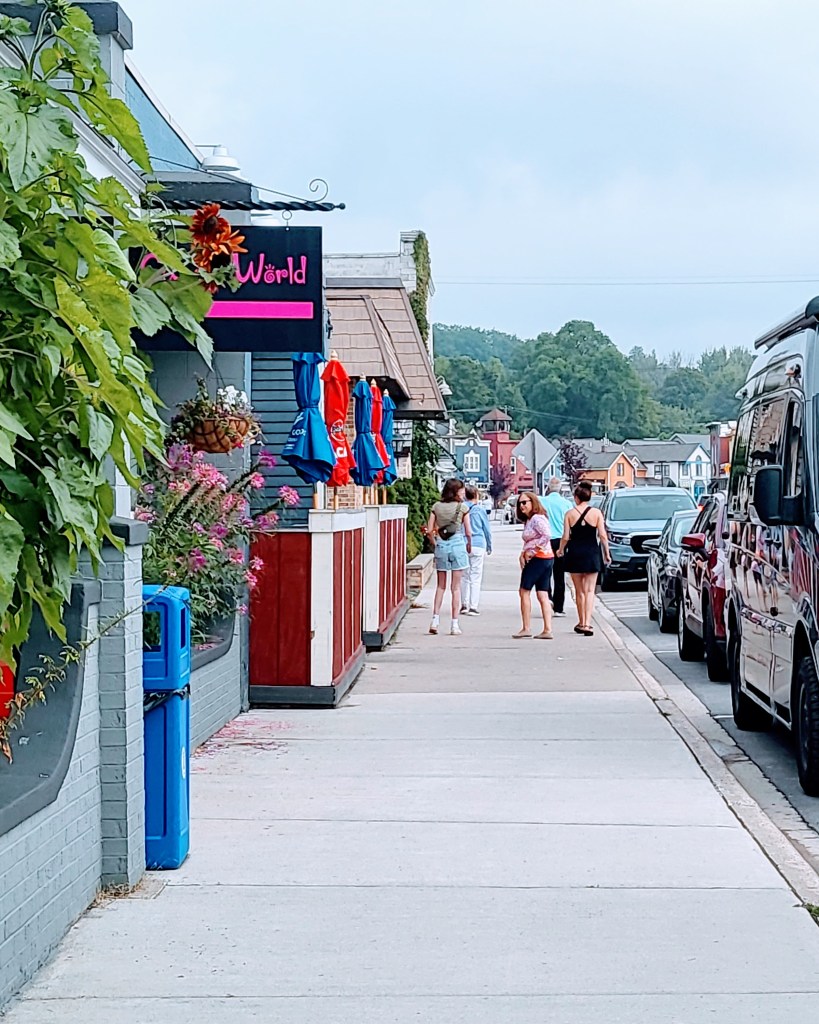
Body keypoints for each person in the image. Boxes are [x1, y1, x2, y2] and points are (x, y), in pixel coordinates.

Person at [557, 480, 611, 636]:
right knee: (590, 591)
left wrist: (561, 550)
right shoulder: (597, 513)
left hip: (575, 554)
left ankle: (581, 622)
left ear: (576, 497)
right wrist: (607, 553)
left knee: (579, 591)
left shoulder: (569, 514)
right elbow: (602, 535)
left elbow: (565, 537)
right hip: (592, 553)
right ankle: (587, 623)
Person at [427, 478, 473, 636]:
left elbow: (429, 530)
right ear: (456, 491)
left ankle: (435, 620)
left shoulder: (436, 507)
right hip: (458, 545)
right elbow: (468, 532)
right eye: (461, 490)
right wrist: (469, 544)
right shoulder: (463, 507)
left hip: (442, 546)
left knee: (440, 586)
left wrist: (435, 543)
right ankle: (454, 624)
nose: (463, 492)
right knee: (456, 588)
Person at [513, 492, 554, 640]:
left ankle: (526, 627)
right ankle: (547, 629)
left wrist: (533, 551)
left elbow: (547, 535)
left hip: (538, 558)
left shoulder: (537, 518)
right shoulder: (530, 520)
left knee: (524, 591)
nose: (522, 506)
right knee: (542, 593)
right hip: (544, 557)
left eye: (525, 502)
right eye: (520, 503)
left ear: (533, 502)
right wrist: (523, 552)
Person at [541, 477, 572, 616]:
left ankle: (547, 602)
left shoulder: (542, 501)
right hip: (561, 540)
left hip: (546, 540)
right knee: (559, 575)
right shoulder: (567, 504)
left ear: (548, 487)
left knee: (545, 573)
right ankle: (559, 607)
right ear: (560, 489)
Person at [460, 484, 492, 615]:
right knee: (476, 576)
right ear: (476, 495)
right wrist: (489, 545)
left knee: (464, 576)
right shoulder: (480, 510)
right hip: (478, 543)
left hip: (463, 543)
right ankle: (473, 606)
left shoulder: (461, 509)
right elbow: (486, 529)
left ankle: (464, 605)